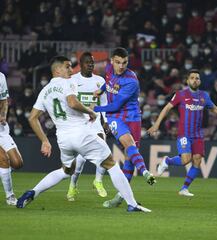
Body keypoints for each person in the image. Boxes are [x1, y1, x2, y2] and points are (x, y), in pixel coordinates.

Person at [16, 56, 150, 212]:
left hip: (63, 139)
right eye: (67, 67)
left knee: (66, 171)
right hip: (81, 133)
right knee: (111, 165)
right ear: (57, 69)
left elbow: (32, 118)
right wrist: (90, 112)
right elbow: (73, 102)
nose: (71, 70)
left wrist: (44, 140)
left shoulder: (44, 91)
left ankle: (33, 192)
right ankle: (132, 204)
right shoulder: (68, 82)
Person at [147, 69, 217, 197]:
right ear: (187, 80)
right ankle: (167, 161)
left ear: (200, 81)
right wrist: (156, 124)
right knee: (186, 160)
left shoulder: (204, 96)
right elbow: (167, 108)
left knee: (197, 160)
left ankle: (184, 188)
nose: (195, 80)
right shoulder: (180, 94)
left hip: (198, 135)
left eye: (197, 78)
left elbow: (214, 109)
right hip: (184, 134)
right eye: (192, 78)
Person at [91, 48, 156, 208]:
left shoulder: (131, 81)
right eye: (118, 62)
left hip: (132, 117)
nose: (121, 66)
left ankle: (120, 198)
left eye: (125, 63)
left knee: (129, 158)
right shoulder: (108, 69)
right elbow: (109, 83)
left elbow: (116, 104)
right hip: (116, 117)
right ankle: (145, 172)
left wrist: (95, 109)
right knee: (129, 145)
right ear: (112, 61)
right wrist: (101, 90)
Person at [66, 52, 110, 201]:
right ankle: (73, 185)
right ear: (81, 64)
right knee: (80, 159)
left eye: (92, 62)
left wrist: (106, 121)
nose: (90, 65)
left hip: (95, 121)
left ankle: (98, 181)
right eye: (87, 62)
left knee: (104, 149)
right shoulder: (73, 80)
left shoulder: (100, 81)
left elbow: (104, 103)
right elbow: (69, 102)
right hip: (79, 123)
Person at [0, 72, 24, 205]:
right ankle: (10, 196)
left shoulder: (1, 77)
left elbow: (4, 101)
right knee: (3, 160)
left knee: (17, 163)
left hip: (1, 129)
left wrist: (3, 115)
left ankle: (2, 172)